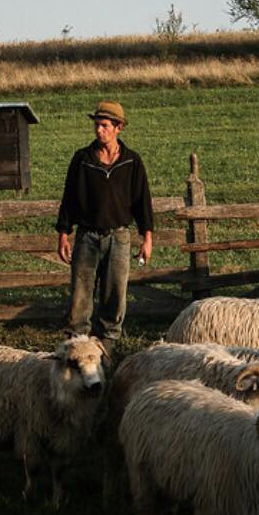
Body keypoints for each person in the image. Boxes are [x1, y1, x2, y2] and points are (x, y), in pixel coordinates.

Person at [56, 101, 153, 356]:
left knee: (114, 294)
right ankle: (77, 346)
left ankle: (107, 349)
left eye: (105, 126)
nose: (99, 131)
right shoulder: (83, 159)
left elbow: (142, 201)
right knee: (81, 293)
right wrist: (63, 234)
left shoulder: (131, 162)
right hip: (87, 236)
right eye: (97, 125)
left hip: (119, 236)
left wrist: (147, 238)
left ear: (118, 128)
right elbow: (69, 198)